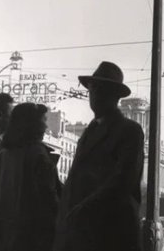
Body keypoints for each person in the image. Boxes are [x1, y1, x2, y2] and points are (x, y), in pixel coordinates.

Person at [54, 61, 145, 251]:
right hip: (83, 233)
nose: (93, 95)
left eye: (99, 90)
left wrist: (83, 208)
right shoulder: (90, 130)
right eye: (91, 89)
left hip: (111, 233)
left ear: (114, 95)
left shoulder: (129, 131)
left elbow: (122, 182)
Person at [0, 103, 61, 251]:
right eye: (44, 121)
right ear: (33, 124)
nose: (46, 127)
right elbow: (49, 198)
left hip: (1, 236)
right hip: (30, 238)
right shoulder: (39, 155)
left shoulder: (3, 155)